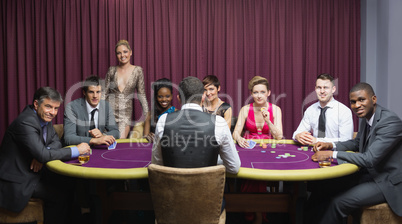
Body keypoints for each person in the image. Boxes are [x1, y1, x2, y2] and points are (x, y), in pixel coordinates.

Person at [312, 82, 402, 223]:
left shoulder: (390, 122)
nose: (357, 105)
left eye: (361, 100)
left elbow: (369, 159)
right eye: (353, 102)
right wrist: (331, 145)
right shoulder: (367, 118)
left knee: (338, 203)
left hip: (387, 181)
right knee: (321, 188)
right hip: (369, 174)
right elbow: (356, 143)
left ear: (373, 99)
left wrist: (332, 154)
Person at [0, 87, 91, 224]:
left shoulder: (44, 119)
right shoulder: (26, 121)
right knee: (59, 197)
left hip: (34, 173)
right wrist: (76, 150)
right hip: (18, 181)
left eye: (56, 108)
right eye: (49, 107)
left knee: (71, 183)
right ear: (36, 104)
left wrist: (42, 154)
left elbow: (56, 144)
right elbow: (43, 154)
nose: (53, 113)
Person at [151, 76, 240, 174]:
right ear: (203, 97)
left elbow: (157, 165)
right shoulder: (219, 122)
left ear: (178, 98)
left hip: (173, 188)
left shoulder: (163, 120)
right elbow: (234, 168)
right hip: (208, 188)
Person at [103, 39, 149, 138]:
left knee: (119, 142)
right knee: (106, 143)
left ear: (130, 52)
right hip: (108, 112)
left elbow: (142, 95)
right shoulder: (111, 70)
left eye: (125, 52)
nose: (122, 55)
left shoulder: (138, 71)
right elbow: (104, 93)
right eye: (119, 53)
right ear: (116, 55)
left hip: (125, 114)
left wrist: (147, 116)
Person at [293, 73, 354, 145]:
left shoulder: (344, 111)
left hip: (335, 153)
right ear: (315, 89)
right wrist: (297, 136)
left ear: (333, 89)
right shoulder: (310, 110)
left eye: (326, 87)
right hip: (314, 152)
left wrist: (317, 141)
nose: (322, 91)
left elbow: (346, 141)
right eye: (319, 87)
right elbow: (297, 133)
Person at [64, 75, 120, 146]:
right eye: (91, 92)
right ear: (84, 92)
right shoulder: (72, 107)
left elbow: (116, 132)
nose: (95, 96)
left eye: (98, 92)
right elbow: (69, 138)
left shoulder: (106, 106)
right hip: (78, 150)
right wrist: (95, 140)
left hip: (98, 150)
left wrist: (102, 135)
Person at [233, 76, 283, 148]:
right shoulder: (245, 109)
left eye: (263, 92)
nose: (259, 96)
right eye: (255, 92)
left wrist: (268, 121)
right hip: (248, 146)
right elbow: (235, 133)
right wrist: (239, 138)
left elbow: (279, 137)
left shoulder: (276, 109)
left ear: (268, 93)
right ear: (251, 93)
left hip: (268, 146)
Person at [143, 78, 177, 142]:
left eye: (167, 96)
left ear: (172, 96)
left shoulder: (177, 113)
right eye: (160, 96)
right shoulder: (150, 115)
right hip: (153, 149)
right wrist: (148, 136)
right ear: (156, 97)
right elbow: (145, 137)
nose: (164, 99)